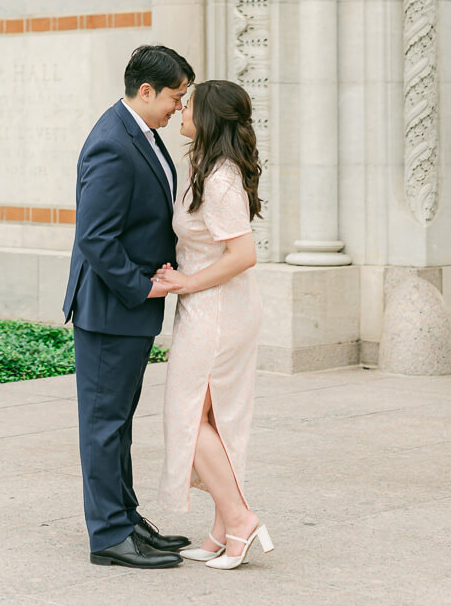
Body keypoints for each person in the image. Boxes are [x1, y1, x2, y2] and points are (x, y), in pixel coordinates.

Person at [63, 44, 195, 569]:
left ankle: (126, 518)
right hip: (110, 310)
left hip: (129, 312)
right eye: (175, 98)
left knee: (118, 422)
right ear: (147, 91)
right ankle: (108, 537)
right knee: (103, 424)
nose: (178, 110)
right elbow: (95, 237)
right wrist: (141, 288)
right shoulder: (112, 143)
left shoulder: (144, 135)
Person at [155, 80, 273, 570]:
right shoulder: (204, 167)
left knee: (188, 416)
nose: (181, 108)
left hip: (218, 313)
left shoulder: (220, 178)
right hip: (212, 308)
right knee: (210, 419)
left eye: (190, 103)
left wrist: (186, 282)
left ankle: (241, 520)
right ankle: (222, 530)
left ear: (208, 117)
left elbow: (243, 254)